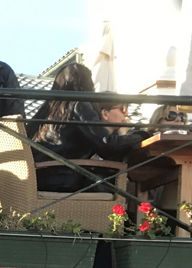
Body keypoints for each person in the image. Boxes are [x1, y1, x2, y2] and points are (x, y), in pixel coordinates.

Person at [32, 64, 148, 193]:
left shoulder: (45, 111)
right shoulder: (79, 105)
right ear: (87, 83)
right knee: (121, 183)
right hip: (66, 181)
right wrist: (142, 135)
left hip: (38, 179)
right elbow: (107, 145)